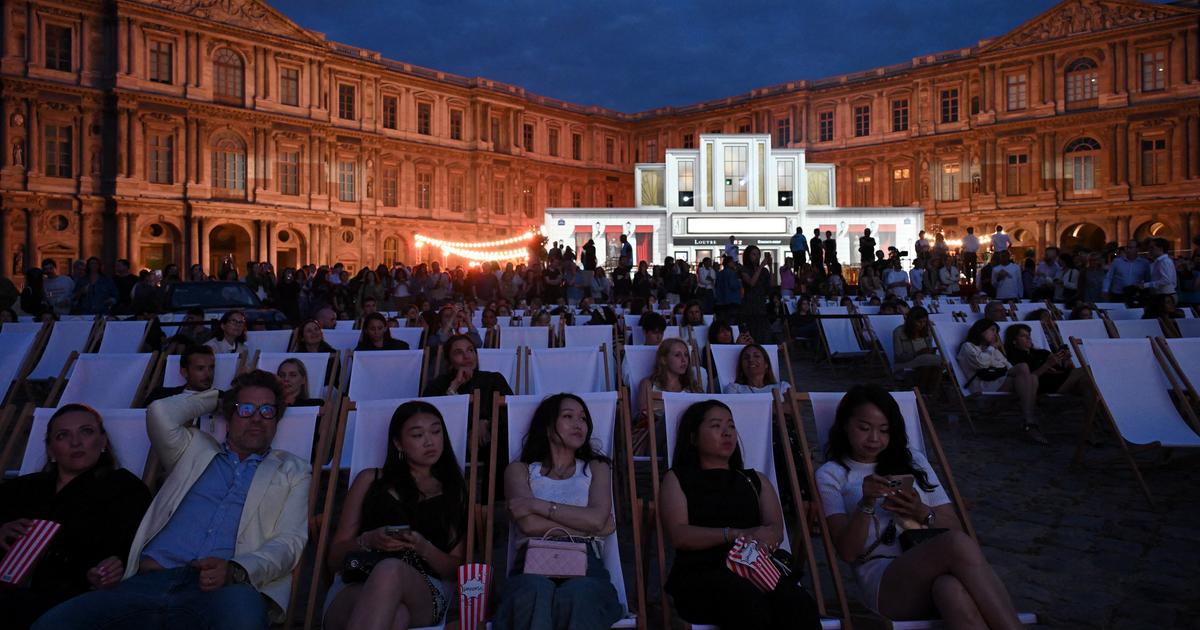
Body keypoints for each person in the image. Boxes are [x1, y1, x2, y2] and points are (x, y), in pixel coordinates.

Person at [34, 371, 311, 629]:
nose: (257, 418)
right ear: (228, 416)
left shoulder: (293, 471)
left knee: (243, 618)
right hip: (147, 582)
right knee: (52, 624)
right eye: (246, 409)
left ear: (276, 420)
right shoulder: (192, 449)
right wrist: (219, 398)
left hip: (224, 589)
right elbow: (160, 412)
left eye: (267, 411)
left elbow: (290, 541)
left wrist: (236, 570)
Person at [817, 385, 1023, 627]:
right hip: (885, 584)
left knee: (950, 590)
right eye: (864, 428)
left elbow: (955, 527)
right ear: (844, 425)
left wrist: (920, 511)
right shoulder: (831, 475)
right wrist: (867, 503)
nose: (874, 439)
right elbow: (848, 552)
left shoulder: (912, 460)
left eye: (884, 430)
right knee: (955, 544)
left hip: (935, 569)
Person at [661, 399, 820, 630]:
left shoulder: (755, 480)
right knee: (747, 602)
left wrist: (761, 538)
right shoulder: (677, 479)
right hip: (702, 573)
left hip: (756, 568)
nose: (727, 433)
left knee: (799, 604)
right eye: (716, 426)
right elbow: (679, 535)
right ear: (693, 438)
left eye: (731, 425)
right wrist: (735, 534)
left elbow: (775, 530)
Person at [0, 405, 152, 629]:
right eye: (63, 435)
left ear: (103, 442)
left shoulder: (124, 489)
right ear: (51, 450)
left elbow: (131, 548)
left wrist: (110, 568)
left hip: (72, 596)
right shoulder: (23, 488)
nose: (75, 442)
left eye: (86, 431)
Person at [322, 401, 467, 630]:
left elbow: (455, 568)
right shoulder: (369, 480)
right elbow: (334, 559)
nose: (430, 442)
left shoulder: (453, 490)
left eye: (436, 432)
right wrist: (368, 540)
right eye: (418, 435)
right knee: (397, 617)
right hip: (357, 582)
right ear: (398, 443)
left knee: (390, 569)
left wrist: (423, 547)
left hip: (423, 590)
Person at [494, 394, 623, 630]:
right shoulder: (520, 470)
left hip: (587, 564)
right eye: (568, 416)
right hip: (531, 562)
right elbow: (529, 525)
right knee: (534, 590)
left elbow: (596, 519)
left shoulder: (596, 467)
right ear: (547, 426)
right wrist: (588, 527)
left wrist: (536, 505)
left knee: (579, 593)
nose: (578, 424)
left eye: (583, 418)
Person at [955, 319, 1044, 443]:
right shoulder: (968, 346)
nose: (995, 334)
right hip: (982, 384)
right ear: (980, 330)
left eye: (996, 331)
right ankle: (1029, 420)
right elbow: (982, 364)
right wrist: (992, 349)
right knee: (1024, 368)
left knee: (1031, 377)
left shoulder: (993, 350)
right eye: (992, 330)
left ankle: (1028, 420)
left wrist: (993, 352)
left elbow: (1008, 367)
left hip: (998, 381)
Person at [422, 334, 513, 446]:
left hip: (492, 444)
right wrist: (454, 387)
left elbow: (511, 413)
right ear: (449, 360)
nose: (466, 356)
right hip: (450, 445)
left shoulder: (494, 379)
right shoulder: (437, 385)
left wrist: (488, 423)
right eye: (458, 352)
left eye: (470, 350)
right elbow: (428, 418)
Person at [1003, 325, 1087, 396]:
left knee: (1085, 381)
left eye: (1029, 335)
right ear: (1014, 341)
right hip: (1047, 385)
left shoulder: (1042, 352)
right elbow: (1027, 380)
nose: (1028, 338)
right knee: (1087, 370)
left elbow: (1062, 369)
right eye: (1023, 336)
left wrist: (1066, 361)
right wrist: (1047, 365)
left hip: (1063, 379)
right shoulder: (1014, 358)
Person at [890, 307, 942, 393]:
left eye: (924, 322)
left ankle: (929, 393)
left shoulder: (927, 331)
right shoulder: (898, 332)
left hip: (925, 361)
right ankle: (923, 392)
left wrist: (930, 351)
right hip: (905, 363)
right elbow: (899, 357)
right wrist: (917, 353)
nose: (922, 324)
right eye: (919, 322)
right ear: (911, 321)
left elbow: (928, 351)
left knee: (935, 365)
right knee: (929, 362)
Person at [143, 345, 217, 406]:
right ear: (184, 372)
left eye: (211, 368)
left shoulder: (221, 399)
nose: (208, 374)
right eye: (200, 369)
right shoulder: (160, 395)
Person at [722, 343, 790, 395]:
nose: (751, 360)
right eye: (746, 358)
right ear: (741, 367)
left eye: (756, 356)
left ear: (766, 364)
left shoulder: (782, 387)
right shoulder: (734, 389)